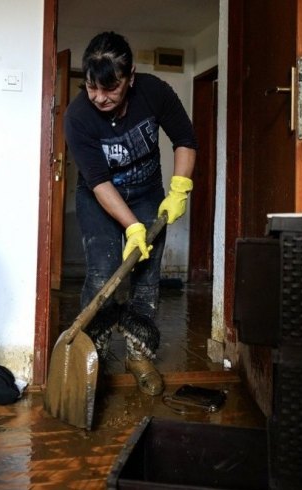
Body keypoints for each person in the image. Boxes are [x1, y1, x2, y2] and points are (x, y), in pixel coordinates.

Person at [64, 31, 197, 396]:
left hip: (146, 193)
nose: (100, 98)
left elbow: (185, 139)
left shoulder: (154, 92)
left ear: (130, 77)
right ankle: (94, 357)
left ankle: (139, 355)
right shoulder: (78, 117)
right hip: (98, 197)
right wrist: (132, 227)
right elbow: (99, 182)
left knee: (146, 276)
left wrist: (179, 189)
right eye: (93, 88)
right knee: (102, 274)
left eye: (111, 89)